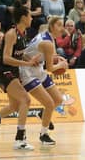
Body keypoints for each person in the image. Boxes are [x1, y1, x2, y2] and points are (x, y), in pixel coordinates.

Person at [0, 1, 39, 150]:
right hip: (3, 70)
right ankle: (20, 139)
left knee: (15, 105)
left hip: (12, 70)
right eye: (30, 16)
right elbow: (6, 58)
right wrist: (26, 64)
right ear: (23, 18)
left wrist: (30, 60)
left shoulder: (24, 33)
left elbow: (21, 54)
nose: (32, 18)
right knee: (26, 100)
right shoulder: (11, 34)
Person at [19, 16, 67, 145]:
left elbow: (47, 55)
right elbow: (51, 68)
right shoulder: (47, 42)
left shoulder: (47, 36)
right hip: (27, 71)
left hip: (38, 68)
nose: (61, 28)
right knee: (50, 103)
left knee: (58, 100)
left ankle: (43, 113)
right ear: (52, 27)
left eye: (62, 25)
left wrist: (59, 58)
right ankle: (43, 135)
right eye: (59, 25)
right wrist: (61, 66)